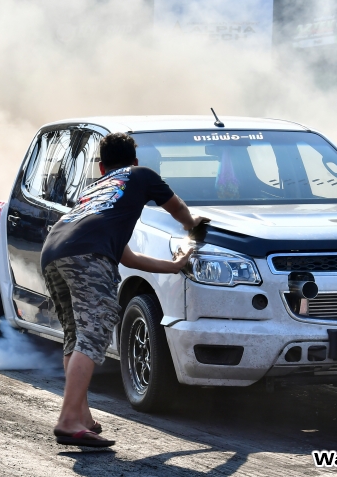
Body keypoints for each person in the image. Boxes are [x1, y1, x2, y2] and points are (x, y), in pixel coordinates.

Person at [41, 133, 207, 448]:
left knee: (76, 336)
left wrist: (173, 266)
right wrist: (193, 227)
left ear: (102, 168)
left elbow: (128, 257)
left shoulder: (96, 192)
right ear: (135, 161)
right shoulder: (141, 175)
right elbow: (179, 209)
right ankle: (67, 421)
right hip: (86, 255)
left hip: (53, 250)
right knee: (94, 334)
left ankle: (82, 416)